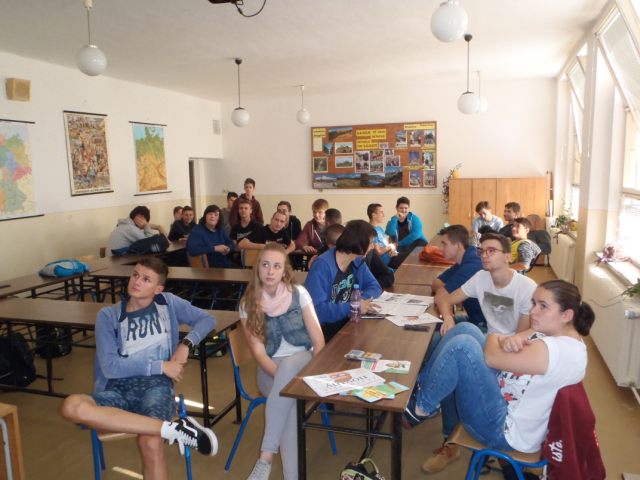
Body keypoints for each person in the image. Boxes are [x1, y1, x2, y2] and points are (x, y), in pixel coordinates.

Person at [408, 280, 593, 475]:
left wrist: (497, 338)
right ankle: (421, 397)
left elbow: (492, 355)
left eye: (543, 306)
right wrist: (507, 340)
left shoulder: (555, 351)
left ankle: (420, 407)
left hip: (503, 430)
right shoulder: (554, 333)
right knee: (466, 329)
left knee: (463, 346)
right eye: (534, 303)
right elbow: (514, 340)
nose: (533, 311)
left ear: (566, 315)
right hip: (504, 396)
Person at [59, 258, 218, 480]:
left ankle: (167, 429)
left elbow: (207, 319)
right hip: (117, 389)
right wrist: (160, 365)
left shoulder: (168, 303)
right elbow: (111, 367)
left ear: (158, 288)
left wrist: (185, 344)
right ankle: (173, 429)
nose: (137, 282)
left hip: (156, 387)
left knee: (150, 441)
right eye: (135, 275)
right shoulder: (108, 316)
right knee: (71, 406)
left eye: (146, 279)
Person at [239, 243, 325, 480]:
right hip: (269, 371)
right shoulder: (247, 304)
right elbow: (259, 354)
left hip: (305, 362)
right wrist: (286, 381)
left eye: (276, 266)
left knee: (288, 369)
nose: (270, 271)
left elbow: (318, 341)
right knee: (289, 409)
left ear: (284, 270)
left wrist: (305, 375)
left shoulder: (299, 293)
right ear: (257, 268)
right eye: (265, 265)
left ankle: (265, 457)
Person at [437, 233, 536, 338]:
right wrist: (448, 317)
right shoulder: (480, 277)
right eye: (482, 251)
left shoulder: (527, 288)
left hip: (507, 344)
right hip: (487, 337)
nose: (484, 255)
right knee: (437, 333)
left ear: (508, 257)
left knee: (465, 332)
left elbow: (519, 339)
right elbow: (445, 300)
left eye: (491, 250)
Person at [305, 220, 382, 342]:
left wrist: (359, 302)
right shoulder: (322, 266)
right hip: (323, 332)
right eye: (371, 243)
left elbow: (375, 286)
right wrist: (353, 306)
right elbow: (317, 311)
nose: (373, 247)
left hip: (347, 324)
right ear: (359, 244)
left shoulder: (357, 261)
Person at [425, 225, 487, 357]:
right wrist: (450, 293)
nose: (441, 248)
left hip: (483, 326)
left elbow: (441, 295)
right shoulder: (463, 260)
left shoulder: (472, 264)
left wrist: (448, 315)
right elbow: (436, 284)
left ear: (458, 246)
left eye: (444, 244)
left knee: (432, 341)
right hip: (472, 319)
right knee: (427, 325)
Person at [385, 196, 427, 269]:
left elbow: (416, 235)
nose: (403, 210)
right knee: (392, 262)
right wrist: (395, 218)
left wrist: (399, 244)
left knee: (422, 242)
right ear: (396, 208)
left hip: (413, 246)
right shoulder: (393, 220)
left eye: (406, 208)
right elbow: (390, 232)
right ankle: (408, 260)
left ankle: (406, 260)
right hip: (400, 250)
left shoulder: (414, 219)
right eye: (401, 208)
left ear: (408, 208)